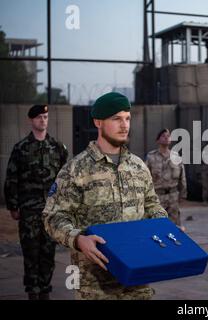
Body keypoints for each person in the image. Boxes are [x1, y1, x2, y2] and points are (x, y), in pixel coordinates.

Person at [43, 92, 168, 300]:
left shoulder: (138, 166)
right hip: (95, 285)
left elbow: (152, 205)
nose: (124, 125)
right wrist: (78, 239)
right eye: (116, 118)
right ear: (98, 122)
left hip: (138, 279)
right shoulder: (76, 169)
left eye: (127, 118)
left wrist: (163, 225)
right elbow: (53, 217)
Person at [4, 104, 68, 300]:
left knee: (48, 253)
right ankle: (33, 290)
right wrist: (13, 206)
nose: (43, 120)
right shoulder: (21, 148)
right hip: (29, 211)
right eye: (39, 117)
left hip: (50, 212)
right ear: (31, 120)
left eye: (46, 117)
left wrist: (64, 205)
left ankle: (45, 290)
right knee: (31, 253)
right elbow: (12, 178)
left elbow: (66, 178)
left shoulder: (58, 147)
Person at [145, 129, 187, 228]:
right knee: (157, 226)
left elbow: (182, 177)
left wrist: (183, 194)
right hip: (157, 197)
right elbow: (145, 178)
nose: (167, 137)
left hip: (173, 197)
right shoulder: (151, 157)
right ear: (158, 140)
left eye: (168, 136)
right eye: (163, 136)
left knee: (175, 226)